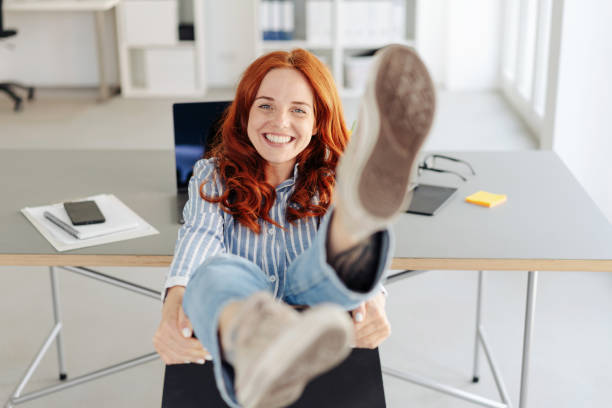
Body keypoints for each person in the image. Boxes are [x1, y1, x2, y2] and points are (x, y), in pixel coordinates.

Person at [153, 45, 435, 408]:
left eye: (298, 110)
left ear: (318, 122)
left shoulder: (329, 179)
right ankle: (258, 337)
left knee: (322, 265)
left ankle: (355, 221)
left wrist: (373, 302)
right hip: (241, 320)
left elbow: (352, 295)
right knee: (215, 274)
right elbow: (199, 237)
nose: (279, 122)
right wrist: (172, 308)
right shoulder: (213, 174)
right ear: (245, 115)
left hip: (316, 323)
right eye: (265, 105)